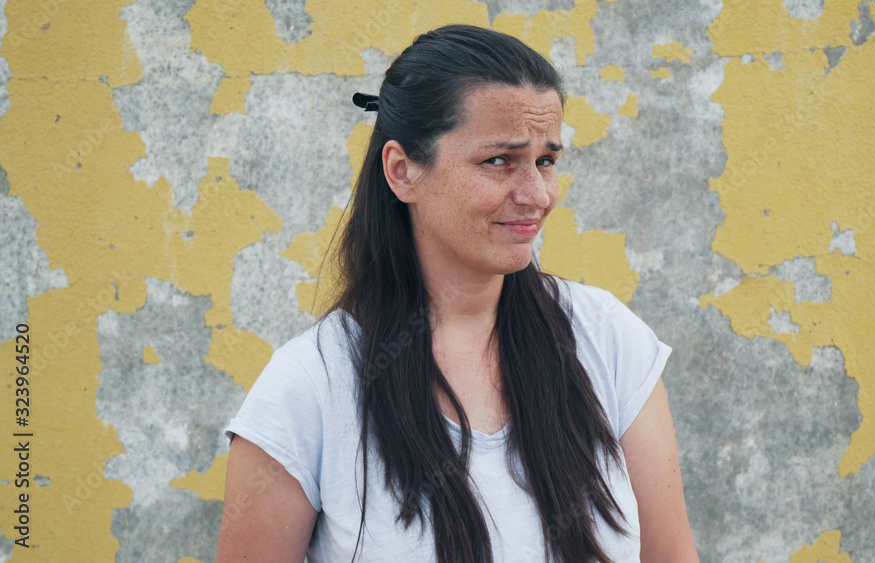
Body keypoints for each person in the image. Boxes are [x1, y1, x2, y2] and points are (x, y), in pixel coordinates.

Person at [216, 24, 698, 563]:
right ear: (402, 172)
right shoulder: (308, 387)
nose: (536, 195)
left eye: (546, 160)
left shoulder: (608, 340)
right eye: (499, 161)